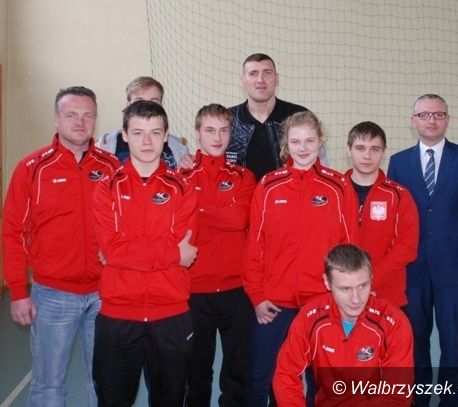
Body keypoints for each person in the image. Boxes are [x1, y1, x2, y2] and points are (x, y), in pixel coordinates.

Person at [1, 86, 120, 406]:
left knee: (105, 382)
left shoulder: (112, 168)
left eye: (88, 115)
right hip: (53, 296)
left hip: (106, 294)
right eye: (71, 115)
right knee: (48, 385)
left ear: (96, 119)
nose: (80, 122)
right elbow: (12, 232)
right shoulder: (32, 168)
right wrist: (18, 291)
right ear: (56, 119)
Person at [387, 94, 458, 407]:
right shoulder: (399, 162)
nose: (431, 120)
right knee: (415, 344)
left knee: (453, 345)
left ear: (448, 119)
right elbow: (392, 219)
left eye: (438, 114)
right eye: (424, 114)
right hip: (412, 271)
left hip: (455, 270)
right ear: (413, 121)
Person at [91, 100, 198, 406]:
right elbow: (113, 251)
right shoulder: (107, 188)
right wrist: (171, 255)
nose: (147, 141)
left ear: (166, 136)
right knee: (113, 400)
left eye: (155, 132)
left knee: (170, 400)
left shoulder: (183, 187)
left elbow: (187, 246)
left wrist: (130, 253)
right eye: (138, 133)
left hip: (171, 316)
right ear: (124, 135)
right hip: (118, 316)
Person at [243, 110, 353, 406]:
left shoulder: (338, 186)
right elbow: (255, 246)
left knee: (321, 380)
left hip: (322, 303)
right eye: (295, 142)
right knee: (261, 377)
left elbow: (349, 249)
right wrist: (257, 296)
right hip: (274, 305)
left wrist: (342, 298)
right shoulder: (268, 186)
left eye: (309, 141)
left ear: (321, 141)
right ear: (285, 145)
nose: (302, 148)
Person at [180, 104, 256, 407]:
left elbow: (239, 219)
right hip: (193, 289)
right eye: (210, 130)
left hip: (236, 289)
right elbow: (180, 226)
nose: (217, 137)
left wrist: (196, 209)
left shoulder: (244, 176)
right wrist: (219, 214)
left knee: (238, 369)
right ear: (197, 133)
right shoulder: (180, 176)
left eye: (224, 130)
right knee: (196, 369)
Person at [273, 244, 414, 406]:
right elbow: (285, 375)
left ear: (371, 279)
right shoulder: (310, 318)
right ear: (327, 283)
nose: (356, 299)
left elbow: (396, 394)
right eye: (345, 289)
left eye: (362, 286)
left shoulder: (394, 323)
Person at [180, 53, 327, 179]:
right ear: (242, 80)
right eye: (253, 73)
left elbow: (320, 165)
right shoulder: (228, 119)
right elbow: (211, 155)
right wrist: (192, 159)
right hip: (238, 200)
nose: (260, 80)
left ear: (277, 79)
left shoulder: (298, 116)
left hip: (287, 199)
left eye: (267, 72)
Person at [343, 121, 419, 307]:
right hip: (341, 295)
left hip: (387, 296)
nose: (367, 155)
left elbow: (407, 248)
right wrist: (347, 284)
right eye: (360, 148)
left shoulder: (399, 195)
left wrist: (369, 282)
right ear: (348, 150)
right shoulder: (333, 193)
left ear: (384, 152)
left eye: (375, 149)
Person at [96, 75, 189, 168]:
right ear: (127, 105)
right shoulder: (104, 148)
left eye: (153, 102)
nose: (146, 107)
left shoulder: (179, 150)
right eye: (139, 102)